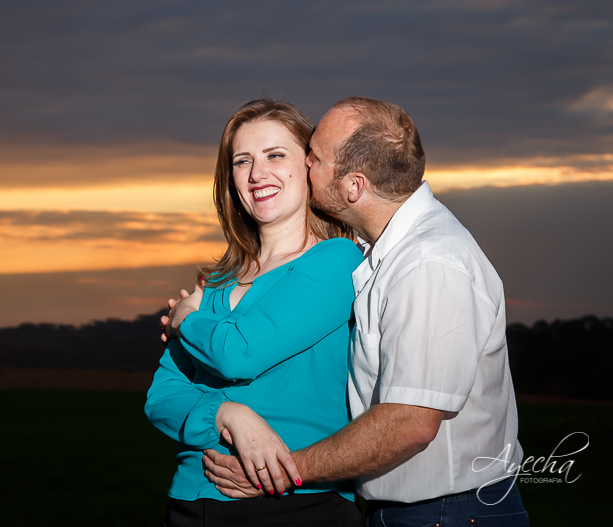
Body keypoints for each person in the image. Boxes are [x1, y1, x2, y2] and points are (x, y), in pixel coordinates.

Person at [202, 97, 530, 526]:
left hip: (445, 514)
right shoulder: (382, 253)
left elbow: (408, 423)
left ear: (354, 186)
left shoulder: (428, 264)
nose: (304, 167)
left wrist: (282, 470)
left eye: (313, 159)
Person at [144, 99, 365, 526]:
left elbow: (238, 353)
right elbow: (161, 398)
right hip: (193, 500)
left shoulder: (336, 262)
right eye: (242, 161)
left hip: (297, 504)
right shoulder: (218, 281)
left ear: (309, 165)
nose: (257, 174)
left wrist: (186, 319)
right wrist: (228, 416)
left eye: (275, 156)